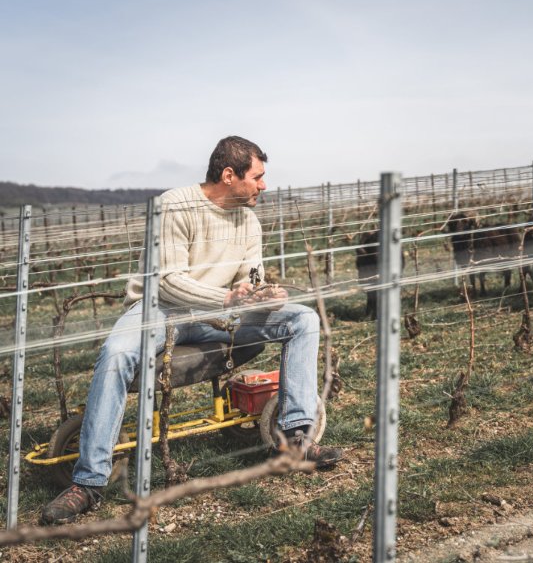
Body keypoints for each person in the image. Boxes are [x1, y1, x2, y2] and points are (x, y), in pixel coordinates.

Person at [40, 136, 342, 525]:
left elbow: (248, 277)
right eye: (258, 177)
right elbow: (167, 281)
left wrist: (263, 294)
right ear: (229, 175)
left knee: (302, 318)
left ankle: (295, 441)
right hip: (159, 310)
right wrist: (226, 299)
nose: (264, 186)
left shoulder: (248, 219)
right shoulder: (175, 205)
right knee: (116, 354)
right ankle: (88, 482)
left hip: (219, 313)